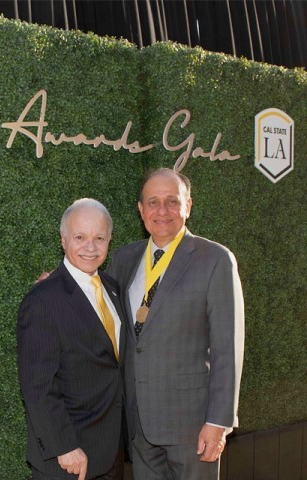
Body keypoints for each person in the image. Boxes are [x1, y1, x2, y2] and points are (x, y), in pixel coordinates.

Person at [106, 168, 245, 479]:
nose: (162, 211)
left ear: (188, 206)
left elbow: (228, 347)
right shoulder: (124, 259)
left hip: (193, 427)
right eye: (153, 202)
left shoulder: (216, 260)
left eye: (172, 201)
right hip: (140, 425)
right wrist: (57, 284)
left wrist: (218, 422)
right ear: (140, 209)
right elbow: (98, 306)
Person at [18, 198, 127, 480]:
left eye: (99, 238)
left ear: (109, 240)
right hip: (68, 460)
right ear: (63, 240)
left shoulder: (113, 289)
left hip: (110, 453)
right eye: (80, 237)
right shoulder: (43, 300)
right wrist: (64, 447)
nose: (90, 247)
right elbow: (36, 385)